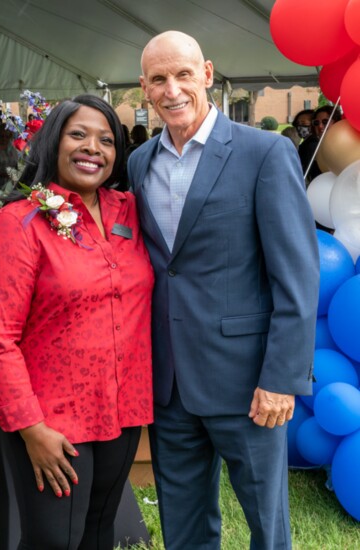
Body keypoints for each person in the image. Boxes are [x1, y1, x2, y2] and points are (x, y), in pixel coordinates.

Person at [128, 31, 319, 550]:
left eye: (183, 74)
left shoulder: (266, 153)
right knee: (183, 526)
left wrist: (281, 377)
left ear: (207, 74)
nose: (173, 90)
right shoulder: (140, 163)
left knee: (266, 525)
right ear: (144, 88)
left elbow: (297, 275)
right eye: (159, 79)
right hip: (169, 385)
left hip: (249, 385)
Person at [0, 94, 154, 549]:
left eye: (106, 140)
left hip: (121, 408)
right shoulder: (19, 223)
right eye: (78, 135)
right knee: (54, 541)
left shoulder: (129, 210)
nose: (93, 147)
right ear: (53, 142)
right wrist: (30, 428)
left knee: (99, 533)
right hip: (52, 420)